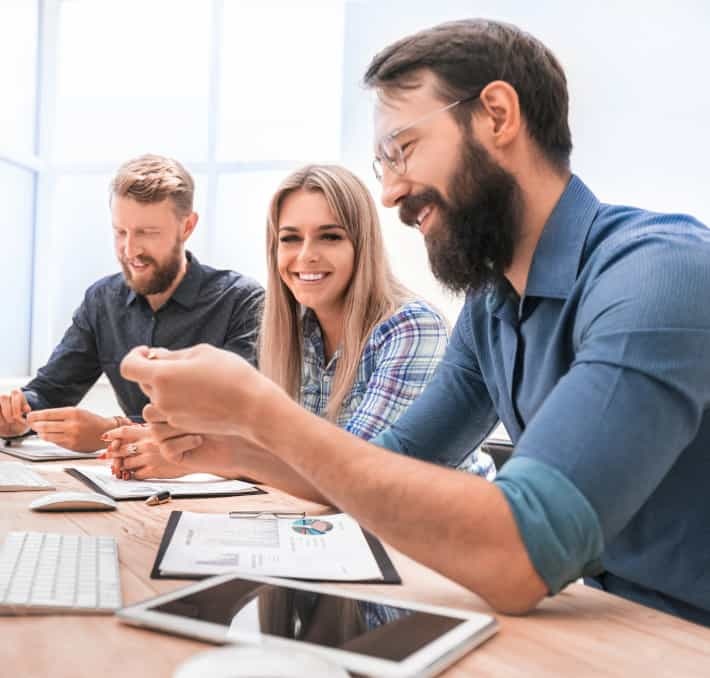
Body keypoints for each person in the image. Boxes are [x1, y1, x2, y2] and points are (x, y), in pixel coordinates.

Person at [121, 19, 710, 625]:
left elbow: (521, 554)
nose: (390, 193)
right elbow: (378, 466)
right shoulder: (491, 308)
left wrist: (254, 408)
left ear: (497, 116)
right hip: (609, 625)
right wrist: (224, 446)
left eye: (401, 150)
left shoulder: (663, 273)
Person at [107, 165, 492, 482]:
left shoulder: (410, 328)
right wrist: (180, 444)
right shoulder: (292, 331)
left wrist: (200, 457)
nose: (306, 256)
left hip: (437, 544)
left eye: (329, 236)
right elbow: (278, 451)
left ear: (363, 244)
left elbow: (357, 471)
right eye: (290, 239)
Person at [0, 154, 264, 453]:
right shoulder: (102, 300)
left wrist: (113, 430)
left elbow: (232, 411)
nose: (130, 249)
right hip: (130, 485)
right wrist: (19, 416)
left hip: (221, 483)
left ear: (187, 226)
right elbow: (50, 391)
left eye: (147, 233)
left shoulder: (242, 300)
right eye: (120, 232)